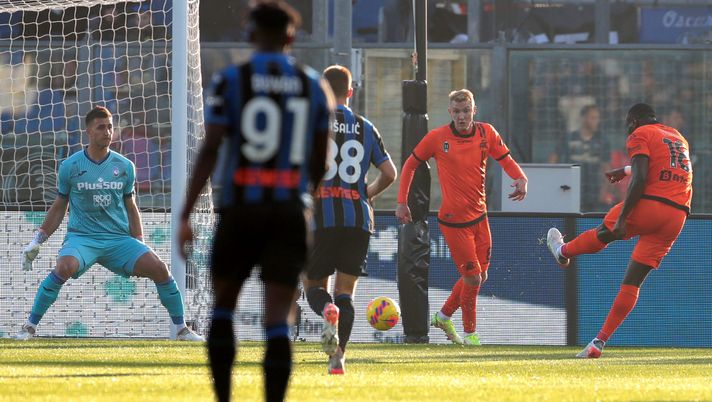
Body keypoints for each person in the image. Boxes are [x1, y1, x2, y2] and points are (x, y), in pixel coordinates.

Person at [178, 2, 333, 401]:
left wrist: (185, 213)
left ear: (249, 34)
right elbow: (320, 161)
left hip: (240, 209)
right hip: (287, 212)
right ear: (291, 37)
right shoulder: (313, 85)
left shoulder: (232, 80)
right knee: (278, 317)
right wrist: (304, 200)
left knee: (223, 308)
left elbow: (211, 147)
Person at [15, 105, 203, 342]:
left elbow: (131, 207)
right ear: (89, 132)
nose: (107, 132)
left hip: (118, 239)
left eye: (110, 127)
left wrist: (140, 243)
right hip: (82, 237)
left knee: (160, 269)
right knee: (63, 267)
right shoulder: (70, 166)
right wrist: (37, 239)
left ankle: (181, 329)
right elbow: (60, 206)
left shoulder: (125, 167)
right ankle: (29, 327)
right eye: (101, 127)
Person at [547, 103, 692, 358]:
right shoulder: (677, 137)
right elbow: (664, 167)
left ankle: (563, 251)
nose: (627, 128)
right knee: (632, 283)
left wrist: (624, 216)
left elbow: (640, 177)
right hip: (677, 215)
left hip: (651, 205)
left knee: (606, 231)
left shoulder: (640, 134)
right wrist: (625, 170)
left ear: (634, 120)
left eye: (628, 123)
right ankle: (598, 343)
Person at [396, 89, 528, 346]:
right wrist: (402, 202)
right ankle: (470, 335)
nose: (462, 116)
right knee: (473, 278)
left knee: (481, 276)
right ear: (450, 112)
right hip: (455, 222)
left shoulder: (486, 133)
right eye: (457, 111)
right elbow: (410, 164)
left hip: (480, 217)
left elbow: (506, 159)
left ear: (474, 111)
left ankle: (444, 315)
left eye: (466, 110)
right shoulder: (437, 138)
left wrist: (521, 178)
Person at [304, 65, 396, 374]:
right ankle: (338, 357)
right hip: (358, 218)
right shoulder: (366, 126)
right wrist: (367, 193)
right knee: (346, 291)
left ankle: (326, 309)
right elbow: (389, 173)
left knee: (313, 286)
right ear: (350, 92)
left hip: (322, 216)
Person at [548, 104, 611, 211]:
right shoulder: (569, 138)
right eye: (593, 118)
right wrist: (555, 180)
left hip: (593, 191)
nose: (596, 121)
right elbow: (553, 158)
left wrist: (604, 190)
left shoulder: (602, 140)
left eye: (597, 118)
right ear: (583, 118)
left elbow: (606, 167)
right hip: (570, 188)